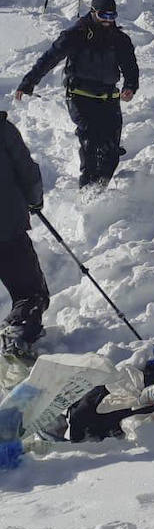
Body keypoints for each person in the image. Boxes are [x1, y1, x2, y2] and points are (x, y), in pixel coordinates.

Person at [14, 0, 138, 189]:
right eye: (103, 16)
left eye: (112, 17)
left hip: (109, 98)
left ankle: (100, 188)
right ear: (93, 12)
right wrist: (29, 82)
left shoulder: (120, 39)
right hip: (80, 97)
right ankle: (87, 191)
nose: (108, 21)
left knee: (111, 151)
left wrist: (130, 86)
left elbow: (130, 67)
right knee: (91, 143)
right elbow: (49, 58)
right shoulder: (75, 34)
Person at [0, 113, 48, 361]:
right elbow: (27, 171)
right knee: (31, 293)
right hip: (6, 226)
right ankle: (18, 338)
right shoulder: (2, 129)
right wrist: (35, 200)